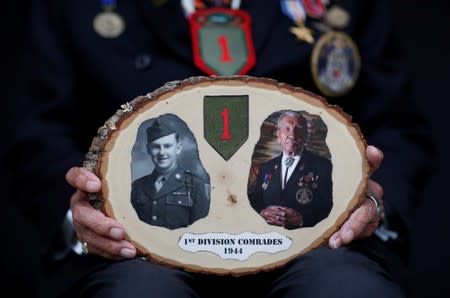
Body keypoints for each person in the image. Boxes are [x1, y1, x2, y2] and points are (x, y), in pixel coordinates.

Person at [6, 0, 434, 297]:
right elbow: (39, 132)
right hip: (134, 248)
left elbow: (397, 125)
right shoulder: (76, 5)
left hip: (316, 242)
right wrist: (78, 215)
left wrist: (376, 202)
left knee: (349, 291)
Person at [249, 110, 333, 229]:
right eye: (286, 129)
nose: (292, 135)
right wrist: (262, 212)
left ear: (304, 136)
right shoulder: (266, 167)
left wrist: (302, 219)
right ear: (278, 134)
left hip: (305, 236)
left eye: (298, 129)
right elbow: (255, 198)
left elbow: (328, 206)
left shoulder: (322, 166)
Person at [130, 118, 210, 229]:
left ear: (178, 148)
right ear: (149, 149)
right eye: (156, 147)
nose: (162, 152)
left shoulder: (196, 185)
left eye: (167, 146)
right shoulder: (138, 186)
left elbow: (202, 228)